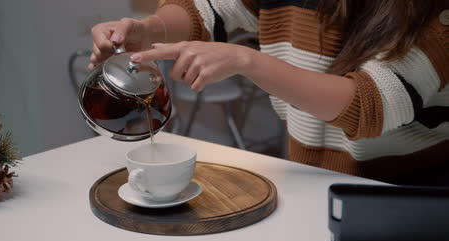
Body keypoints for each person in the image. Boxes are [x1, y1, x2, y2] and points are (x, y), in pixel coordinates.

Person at [90, 0, 449, 184]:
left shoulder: (437, 15)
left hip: (409, 196)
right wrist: (149, 28)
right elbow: (209, 9)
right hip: (312, 180)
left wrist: (247, 61)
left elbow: (371, 105)